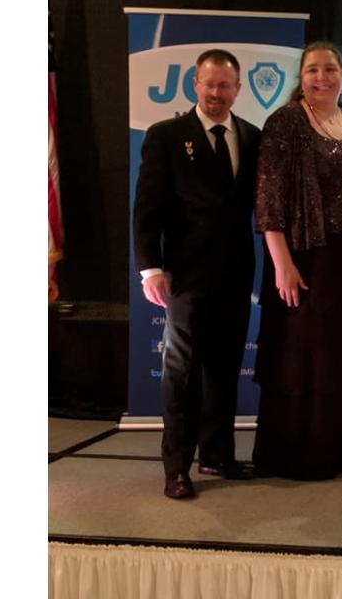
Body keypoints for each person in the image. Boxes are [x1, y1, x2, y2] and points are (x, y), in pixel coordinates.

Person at [133, 49, 261, 499]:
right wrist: (150, 268)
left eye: (225, 85)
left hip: (237, 272)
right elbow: (147, 208)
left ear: (238, 89)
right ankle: (177, 468)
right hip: (185, 275)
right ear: (195, 84)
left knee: (224, 368)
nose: (216, 92)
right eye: (209, 84)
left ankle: (217, 456)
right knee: (182, 373)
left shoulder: (252, 136)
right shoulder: (167, 135)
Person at [252, 41, 342, 480]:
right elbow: (268, 201)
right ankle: (306, 454)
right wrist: (282, 264)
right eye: (312, 70)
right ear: (301, 78)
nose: (321, 77)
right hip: (307, 257)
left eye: (329, 69)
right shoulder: (286, 121)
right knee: (309, 357)